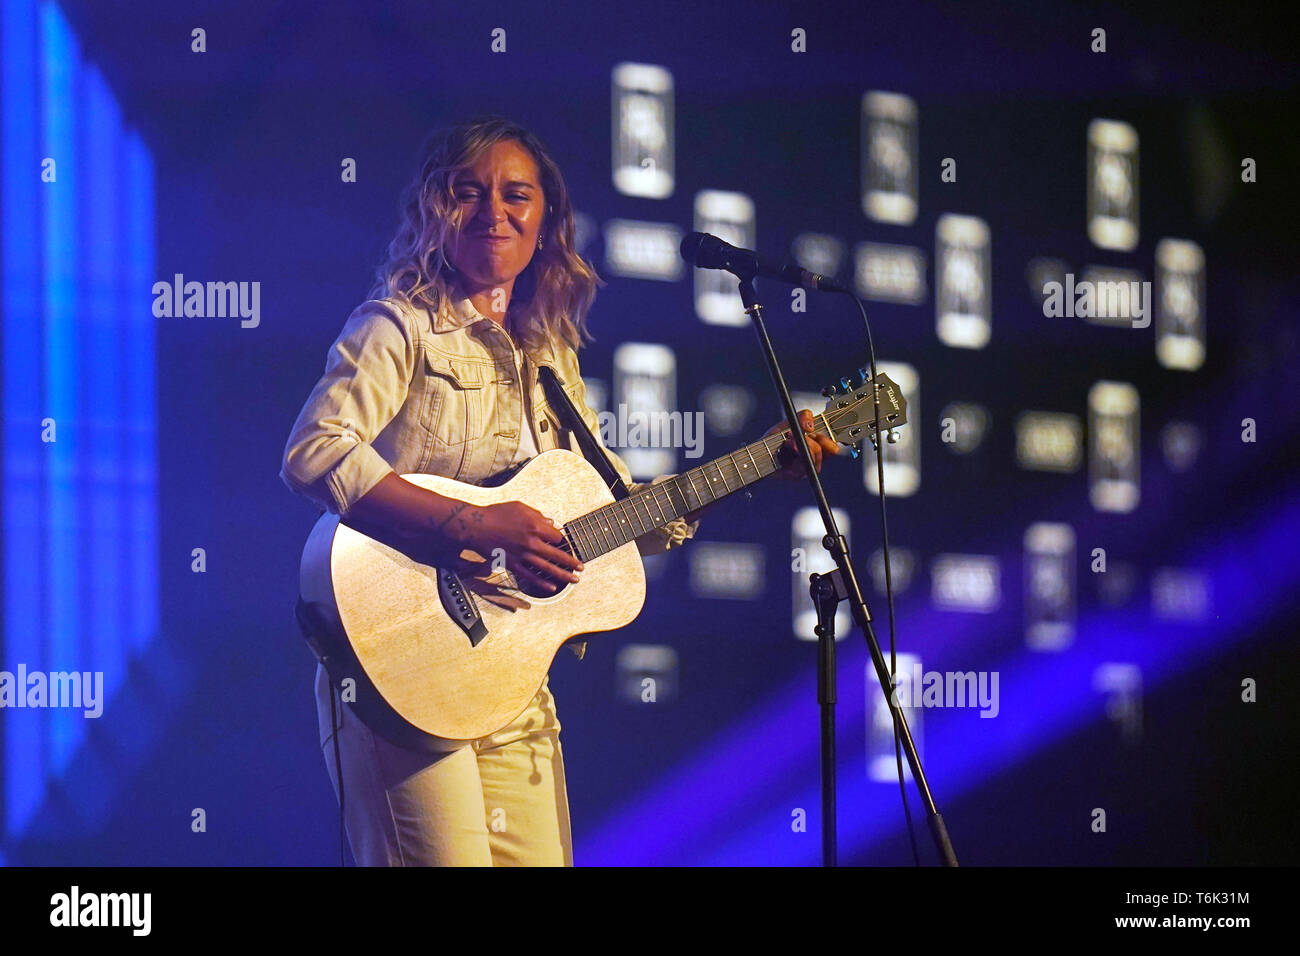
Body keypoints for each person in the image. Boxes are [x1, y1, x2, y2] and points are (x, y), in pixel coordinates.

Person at [280, 116, 838, 866]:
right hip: (400, 667)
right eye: (467, 192)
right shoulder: (397, 327)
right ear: (433, 209)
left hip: (512, 683)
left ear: (546, 221)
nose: (494, 212)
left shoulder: (552, 357)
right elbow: (315, 453)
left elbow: (621, 516)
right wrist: (473, 524)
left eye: (517, 195)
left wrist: (767, 459)